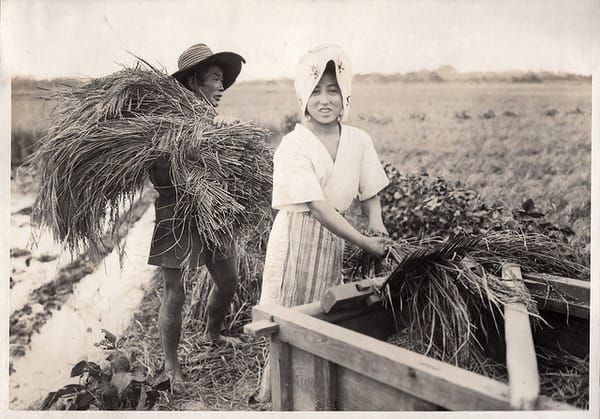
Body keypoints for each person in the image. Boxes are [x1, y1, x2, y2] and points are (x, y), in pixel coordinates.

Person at [254, 44, 389, 402]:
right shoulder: (293, 145)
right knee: (287, 314)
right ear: (303, 94)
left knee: (324, 311)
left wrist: (376, 223)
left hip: (333, 238)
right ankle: (279, 396)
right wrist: (364, 242)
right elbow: (315, 207)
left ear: (346, 94)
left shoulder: (359, 140)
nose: (325, 100)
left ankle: (313, 393)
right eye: (316, 91)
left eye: (333, 90)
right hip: (296, 237)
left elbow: (370, 189)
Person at [148, 43, 245, 384]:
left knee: (229, 279)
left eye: (222, 80)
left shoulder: (213, 121)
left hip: (212, 210)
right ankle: (172, 366)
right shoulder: (167, 123)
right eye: (215, 79)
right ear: (193, 83)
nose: (222, 87)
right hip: (176, 212)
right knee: (175, 291)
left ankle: (212, 334)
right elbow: (157, 173)